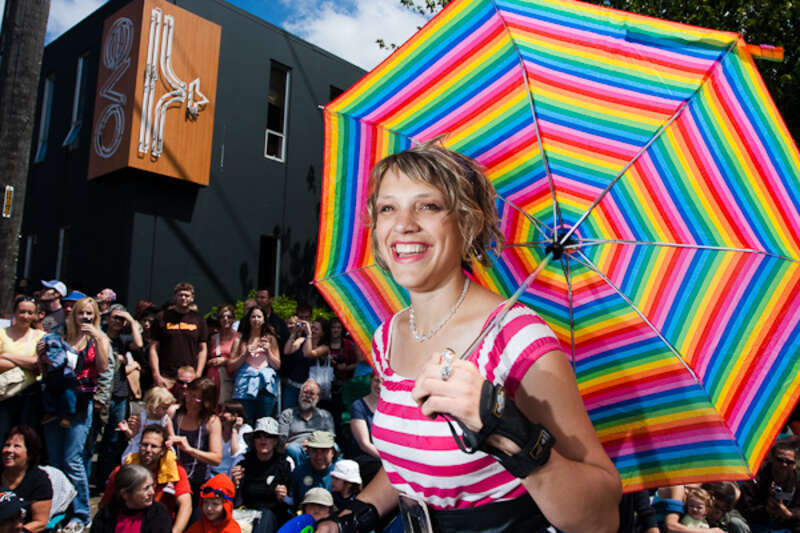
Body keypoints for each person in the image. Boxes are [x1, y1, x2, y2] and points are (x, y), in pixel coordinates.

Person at [316, 140, 621, 533]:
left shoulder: (517, 338)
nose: (403, 223)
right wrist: (356, 516)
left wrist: (506, 430)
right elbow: (412, 462)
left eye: (428, 206)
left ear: (468, 223)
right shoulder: (387, 335)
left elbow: (601, 518)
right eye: (388, 207)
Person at [41, 296, 109, 532]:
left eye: (90, 314)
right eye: (82, 313)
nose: (86, 318)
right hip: (55, 400)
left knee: (73, 459)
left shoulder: (98, 339)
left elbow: (102, 367)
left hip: (81, 401)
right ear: (74, 315)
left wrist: (98, 337)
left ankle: (81, 512)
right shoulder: (59, 336)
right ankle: (58, 510)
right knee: (55, 459)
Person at [101, 424, 192, 533]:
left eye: (154, 446)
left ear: (163, 451)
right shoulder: (123, 471)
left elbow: (186, 505)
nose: (148, 450)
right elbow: (106, 504)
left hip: (160, 525)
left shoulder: (175, 471)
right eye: (144, 445)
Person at [95, 303, 144, 486]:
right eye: (115, 317)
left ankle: (104, 480)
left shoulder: (123, 340)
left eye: (121, 319)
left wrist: (131, 320)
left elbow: (139, 344)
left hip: (119, 393)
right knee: (94, 435)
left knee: (113, 438)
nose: (118, 321)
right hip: (100, 392)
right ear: (107, 318)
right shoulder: (99, 337)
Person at [231, 417, 291, 533]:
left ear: (275, 441)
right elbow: (233, 500)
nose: (263, 440)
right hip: (246, 514)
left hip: (274, 517)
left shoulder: (285, 463)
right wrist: (235, 484)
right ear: (254, 441)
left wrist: (284, 497)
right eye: (259, 436)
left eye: (268, 436)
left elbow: (293, 500)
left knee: (266, 516)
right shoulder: (243, 462)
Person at [169, 378, 222, 503]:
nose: (189, 400)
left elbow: (216, 458)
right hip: (172, 479)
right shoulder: (174, 413)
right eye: (189, 394)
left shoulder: (211, 421)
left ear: (206, 402)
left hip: (197, 482)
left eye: (195, 397)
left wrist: (190, 450)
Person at [0, 296, 46, 438]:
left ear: (35, 315)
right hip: (4, 395)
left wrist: (7, 355)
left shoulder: (41, 336)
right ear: (14, 312)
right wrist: (28, 362)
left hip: (30, 396)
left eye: (30, 312)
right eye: (22, 311)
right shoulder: (2, 333)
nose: (25, 316)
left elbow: (38, 364)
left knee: (26, 439)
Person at [150, 283, 209, 389]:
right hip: (166, 376)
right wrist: (156, 374)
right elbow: (153, 348)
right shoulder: (162, 317)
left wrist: (198, 374)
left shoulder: (199, 319)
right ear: (175, 297)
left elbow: (203, 349)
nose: (183, 298)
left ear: (192, 298)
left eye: (187, 295)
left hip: (189, 377)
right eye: (180, 295)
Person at [229, 306, 281, 423]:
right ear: (248, 319)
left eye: (259, 316)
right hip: (244, 386)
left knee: (263, 421)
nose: (256, 319)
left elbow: (277, 365)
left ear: (264, 320)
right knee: (246, 421)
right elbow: (231, 366)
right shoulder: (239, 340)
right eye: (253, 316)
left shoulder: (270, 339)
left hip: (265, 386)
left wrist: (268, 351)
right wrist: (245, 354)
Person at [90, 463, 171, 533]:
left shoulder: (158, 514)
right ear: (125, 494)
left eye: (152, 485)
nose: (152, 492)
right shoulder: (106, 515)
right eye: (146, 488)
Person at [738, 441, 800, 532]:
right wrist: (766, 509)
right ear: (771, 459)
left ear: (795, 465)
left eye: (789, 462)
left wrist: (790, 514)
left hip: (788, 523)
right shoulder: (755, 478)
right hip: (757, 523)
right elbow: (744, 509)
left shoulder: (798, 480)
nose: (784, 465)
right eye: (780, 460)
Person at [0, 427, 52, 533]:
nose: (9, 450)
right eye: (7, 445)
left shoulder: (39, 480)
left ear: (29, 454)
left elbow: (40, 521)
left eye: (17, 446)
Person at [277, 379, 335, 467]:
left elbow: (331, 439)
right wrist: (300, 445)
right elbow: (281, 443)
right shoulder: (287, 414)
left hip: (320, 447)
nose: (307, 396)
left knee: (336, 447)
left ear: (318, 398)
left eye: (312, 394)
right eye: (305, 392)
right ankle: (302, 473)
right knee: (293, 449)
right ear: (299, 394)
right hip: (297, 450)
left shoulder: (325, 415)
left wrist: (313, 445)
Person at [119, 386, 176, 462]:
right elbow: (134, 435)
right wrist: (127, 430)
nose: (166, 411)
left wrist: (169, 441)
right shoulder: (142, 417)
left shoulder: (165, 419)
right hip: (141, 445)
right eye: (164, 408)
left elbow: (171, 435)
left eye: (167, 408)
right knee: (131, 460)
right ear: (153, 406)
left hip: (158, 446)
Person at [347, 373, 381, 484]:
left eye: (384, 382)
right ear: (371, 380)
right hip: (366, 457)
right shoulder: (358, 406)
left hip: (386, 456)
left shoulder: (391, 407)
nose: (380, 386)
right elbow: (364, 444)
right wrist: (389, 461)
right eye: (377, 380)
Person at [288, 431, 337, 505]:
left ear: (332, 452)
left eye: (324, 451)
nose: (319, 456)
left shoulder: (341, 471)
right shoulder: (300, 472)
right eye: (314, 451)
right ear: (308, 452)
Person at [280, 305, 314, 409]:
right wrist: (294, 333)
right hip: (294, 383)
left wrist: (309, 334)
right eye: (301, 317)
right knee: (287, 413)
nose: (304, 320)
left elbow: (308, 353)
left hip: (310, 386)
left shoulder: (315, 332)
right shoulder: (298, 336)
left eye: (306, 317)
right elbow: (287, 351)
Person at [206, 305, 239, 404]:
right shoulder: (213, 338)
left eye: (229, 316)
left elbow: (243, 359)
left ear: (234, 318)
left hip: (229, 378)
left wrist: (225, 361)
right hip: (213, 378)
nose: (225, 319)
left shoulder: (239, 338)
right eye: (222, 316)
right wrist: (211, 361)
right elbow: (206, 358)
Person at [210, 401, 250, 477]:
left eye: (224, 412)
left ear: (235, 415)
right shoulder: (215, 428)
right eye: (220, 412)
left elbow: (235, 454)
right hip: (212, 474)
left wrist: (235, 431)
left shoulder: (245, 430)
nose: (220, 415)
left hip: (233, 476)